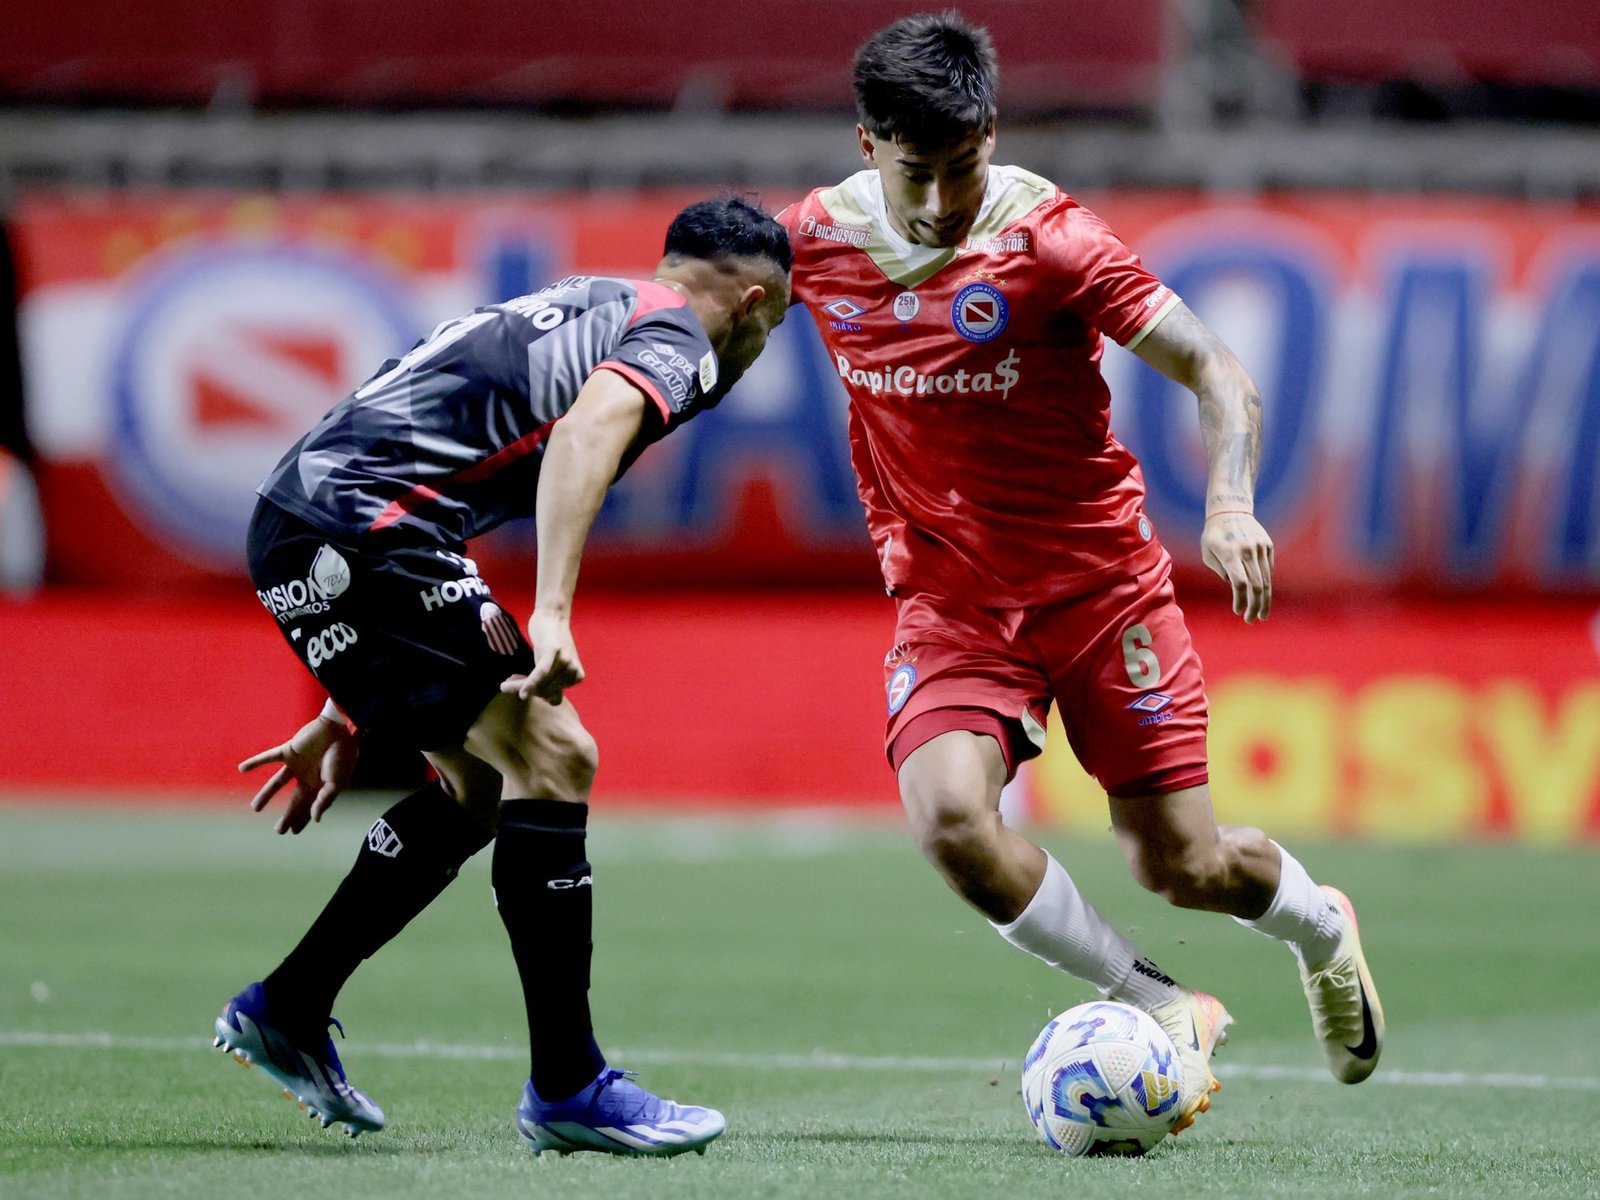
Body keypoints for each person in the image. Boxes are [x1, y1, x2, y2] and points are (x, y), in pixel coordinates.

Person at [773, 12, 1383, 1135]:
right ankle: (1158, 1002)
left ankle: (1319, 930)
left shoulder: (1050, 238)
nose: (942, 200)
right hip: (950, 602)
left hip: (1101, 590)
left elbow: (1211, 364)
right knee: (953, 822)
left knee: (1181, 864)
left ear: (990, 137)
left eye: (963, 169)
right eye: (917, 172)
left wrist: (1232, 502)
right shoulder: (807, 243)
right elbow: (692, 320)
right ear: (868, 146)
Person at [213, 196, 791, 1157]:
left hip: (319, 522)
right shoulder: (682, 336)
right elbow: (583, 439)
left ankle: (289, 1005)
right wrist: (553, 611)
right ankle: (569, 1086)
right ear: (758, 302)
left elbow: (418, 430)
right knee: (559, 756)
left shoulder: (596, 297)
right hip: (366, 528)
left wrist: (348, 697)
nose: (766, 344)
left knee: (480, 787)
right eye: (776, 325)